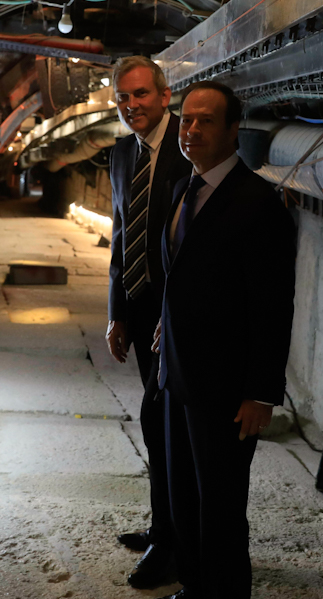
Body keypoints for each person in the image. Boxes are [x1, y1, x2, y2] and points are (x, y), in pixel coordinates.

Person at [155, 80, 296, 599]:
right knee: (184, 498)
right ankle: (195, 588)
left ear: (235, 129)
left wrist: (261, 392)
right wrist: (165, 326)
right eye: (186, 120)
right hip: (178, 375)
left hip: (227, 387)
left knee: (221, 506)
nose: (191, 130)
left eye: (206, 121)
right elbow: (186, 277)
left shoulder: (258, 204)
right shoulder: (183, 189)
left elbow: (274, 306)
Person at [105, 56, 191, 590]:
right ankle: (164, 525)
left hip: (177, 317)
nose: (131, 105)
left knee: (166, 428)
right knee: (159, 427)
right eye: (122, 98)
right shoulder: (120, 154)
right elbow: (119, 235)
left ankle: (173, 543)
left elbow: (196, 249)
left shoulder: (191, 147)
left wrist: (171, 314)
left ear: (164, 95)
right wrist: (117, 311)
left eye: (139, 94)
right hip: (138, 310)